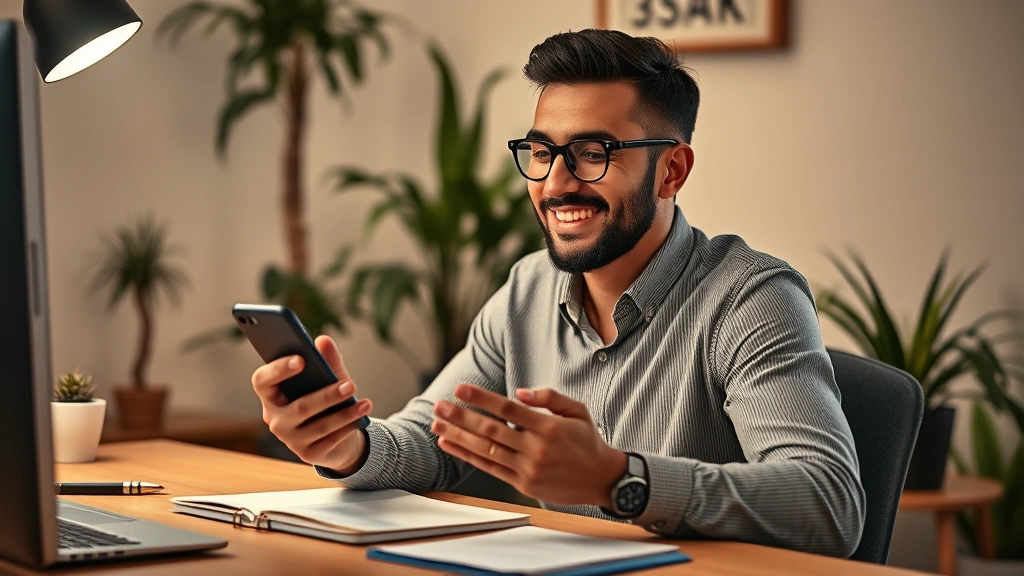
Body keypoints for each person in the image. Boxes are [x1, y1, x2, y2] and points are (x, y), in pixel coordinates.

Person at [251, 29, 865, 557]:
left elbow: (829, 503)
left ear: (672, 170)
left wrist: (620, 479)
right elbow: (430, 442)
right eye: (542, 152)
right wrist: (346, 445)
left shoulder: (751, 297)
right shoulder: (528, 291)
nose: (556, 182)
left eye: (593, 153)